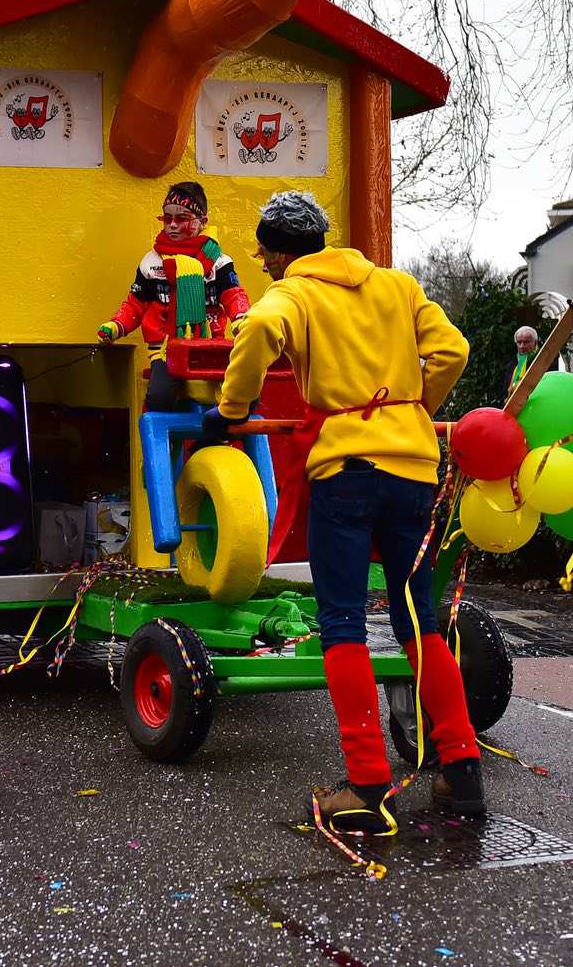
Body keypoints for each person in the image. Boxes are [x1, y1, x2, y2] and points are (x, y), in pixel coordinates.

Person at [209, 190, 475, 834]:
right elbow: (454, 350)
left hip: (346, 471)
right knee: (420, 621)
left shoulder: (294, 294)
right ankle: (462, 771)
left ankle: (367, 784)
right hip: (414, 469)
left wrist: (231, 411)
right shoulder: (396, 285)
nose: (264, 264)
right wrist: (411, 410)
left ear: (278, 252)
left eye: (265, 254)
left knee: (343, 622)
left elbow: (257, 333)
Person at [96, 182, 252, 410]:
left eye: (182, 219)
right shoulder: (151, 262)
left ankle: (217, 433)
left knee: (229, 399)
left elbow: (233, 295)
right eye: (167, 218)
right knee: (159, 399)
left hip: (207, 347)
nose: (173, 225)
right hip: (165, 349)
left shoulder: (219, 263)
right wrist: (116, 325)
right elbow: (136, 304)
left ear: (202, 221)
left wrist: (242, 320)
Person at [509, 326, 540, 397]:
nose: (522, 346)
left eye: (526, 342)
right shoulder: (513, 364)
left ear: (535, 343)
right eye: (519, 342)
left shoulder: (542, 359)